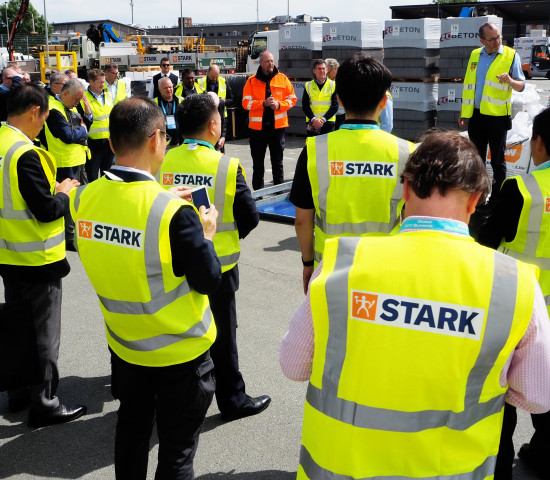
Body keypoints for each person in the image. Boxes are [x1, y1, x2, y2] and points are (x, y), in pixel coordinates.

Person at [280, 129, 550, 480]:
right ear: (476, 200)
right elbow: (537, 396)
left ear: (405, 190)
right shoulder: (515, 284)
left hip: (339, 469)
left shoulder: (341, 263)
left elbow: (293, 365)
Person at [69, 97, 221, 479]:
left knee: (132, 434)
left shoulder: (84, 198)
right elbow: (209, 280)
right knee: (176, 453)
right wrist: (205, 235)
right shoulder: (173, 214)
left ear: (115, 141)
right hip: (180, 354)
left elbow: (123, 218)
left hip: (125, 348)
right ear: (156, 139)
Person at [159, 94, 270, 422]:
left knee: (180, 329)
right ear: (213, 125)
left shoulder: (162, 160)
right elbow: (249, 216)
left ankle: (181, 395)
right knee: (223, 334)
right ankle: (232, 400)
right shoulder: (226, 164)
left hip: (173, 264)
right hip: (219, 265)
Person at [290, 55, 414, 294]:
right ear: (384, 101)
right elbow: (412, 221)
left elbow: (302, 220)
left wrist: (307, 263)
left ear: (339, 99)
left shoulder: (314, 151)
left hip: (329, 271)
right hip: (384, 272)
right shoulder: (408, 153)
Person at [0, 83, 86, 427]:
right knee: (44, 334)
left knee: (17, 328)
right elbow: (46, 210)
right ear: (34, 111)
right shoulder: (25, 153)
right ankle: (45, 402)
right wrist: (64, 192)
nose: (44, 125)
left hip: (8, 254)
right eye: (45, 117)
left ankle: (18, 393)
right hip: (37, 259)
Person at [479, 107, 550, 479]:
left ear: (537, 144)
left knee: (502, 389)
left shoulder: (520, 189)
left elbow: (487, 243)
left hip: (516, 306)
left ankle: (499, 467)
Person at [459, 22, 525, 206]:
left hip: (497, 118)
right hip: (477, 116)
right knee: (476, 160)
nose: (498, 41)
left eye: (498, 37)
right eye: (492, 39)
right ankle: (477, 199)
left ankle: (497, 200)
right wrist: (465, 112)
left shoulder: (511, 56)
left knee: (497, 161)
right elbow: (469, 87)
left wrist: (511, 81)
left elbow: (521, 85)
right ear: (482, 41)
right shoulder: (475, 55)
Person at [44, 78, 92, 250]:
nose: (78, 102)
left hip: (78, 159)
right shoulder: (53, 109)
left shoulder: (68, 105)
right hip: (64, 163)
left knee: (80, 199)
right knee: (68, 200)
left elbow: (84, 124)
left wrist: (85, 119)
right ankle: (70, 239)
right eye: (77, 99)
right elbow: (67, 135)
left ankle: (77, 234)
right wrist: (83, 130)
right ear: (64, 93)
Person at [242, 50, 297, 190]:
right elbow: (245, 103)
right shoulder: (251, 81)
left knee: (277, 162)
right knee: (258, 163)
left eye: (272, 61)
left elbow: (292, 99)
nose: (270, 64)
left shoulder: (282, 79)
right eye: (267, 61)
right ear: (260, 63)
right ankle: (258, 193)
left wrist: (279, 105)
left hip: (277, 128)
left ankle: (278, 192)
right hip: (257, 130)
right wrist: (263, 103)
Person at [79, 68, 114, 181]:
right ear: (91, 81)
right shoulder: (84, 98)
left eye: (103, 82)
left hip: (108, 143)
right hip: (93, 144)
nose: (102, 84)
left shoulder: (108, 95)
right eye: (100, 82)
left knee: (108, 176)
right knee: (92, 176)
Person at [302, 59, 338, 136]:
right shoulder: (308, 85)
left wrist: (323, 119)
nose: (321, 71)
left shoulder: (333, 85)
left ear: (327, 70)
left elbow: (335, 106)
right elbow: (305, 105)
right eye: (319, 69)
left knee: (327, 147)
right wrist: (314, 119)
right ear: (314, 71)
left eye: (323, 68)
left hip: (328, 122)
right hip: (312, 122)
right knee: (312, 145)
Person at [155, 76, 184, 148]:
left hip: (179, 143)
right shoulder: (154, 103)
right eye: (165, 88)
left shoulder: (181, 101)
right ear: (159, 89)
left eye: (170, 87)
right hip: (162, 145)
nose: (169, 90)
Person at [325, 58, 345, 129]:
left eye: (328, 72)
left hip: (342, 114)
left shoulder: (343, 79)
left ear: (335, 69)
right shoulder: (329, 80)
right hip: (332, 114)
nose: (326, 75)